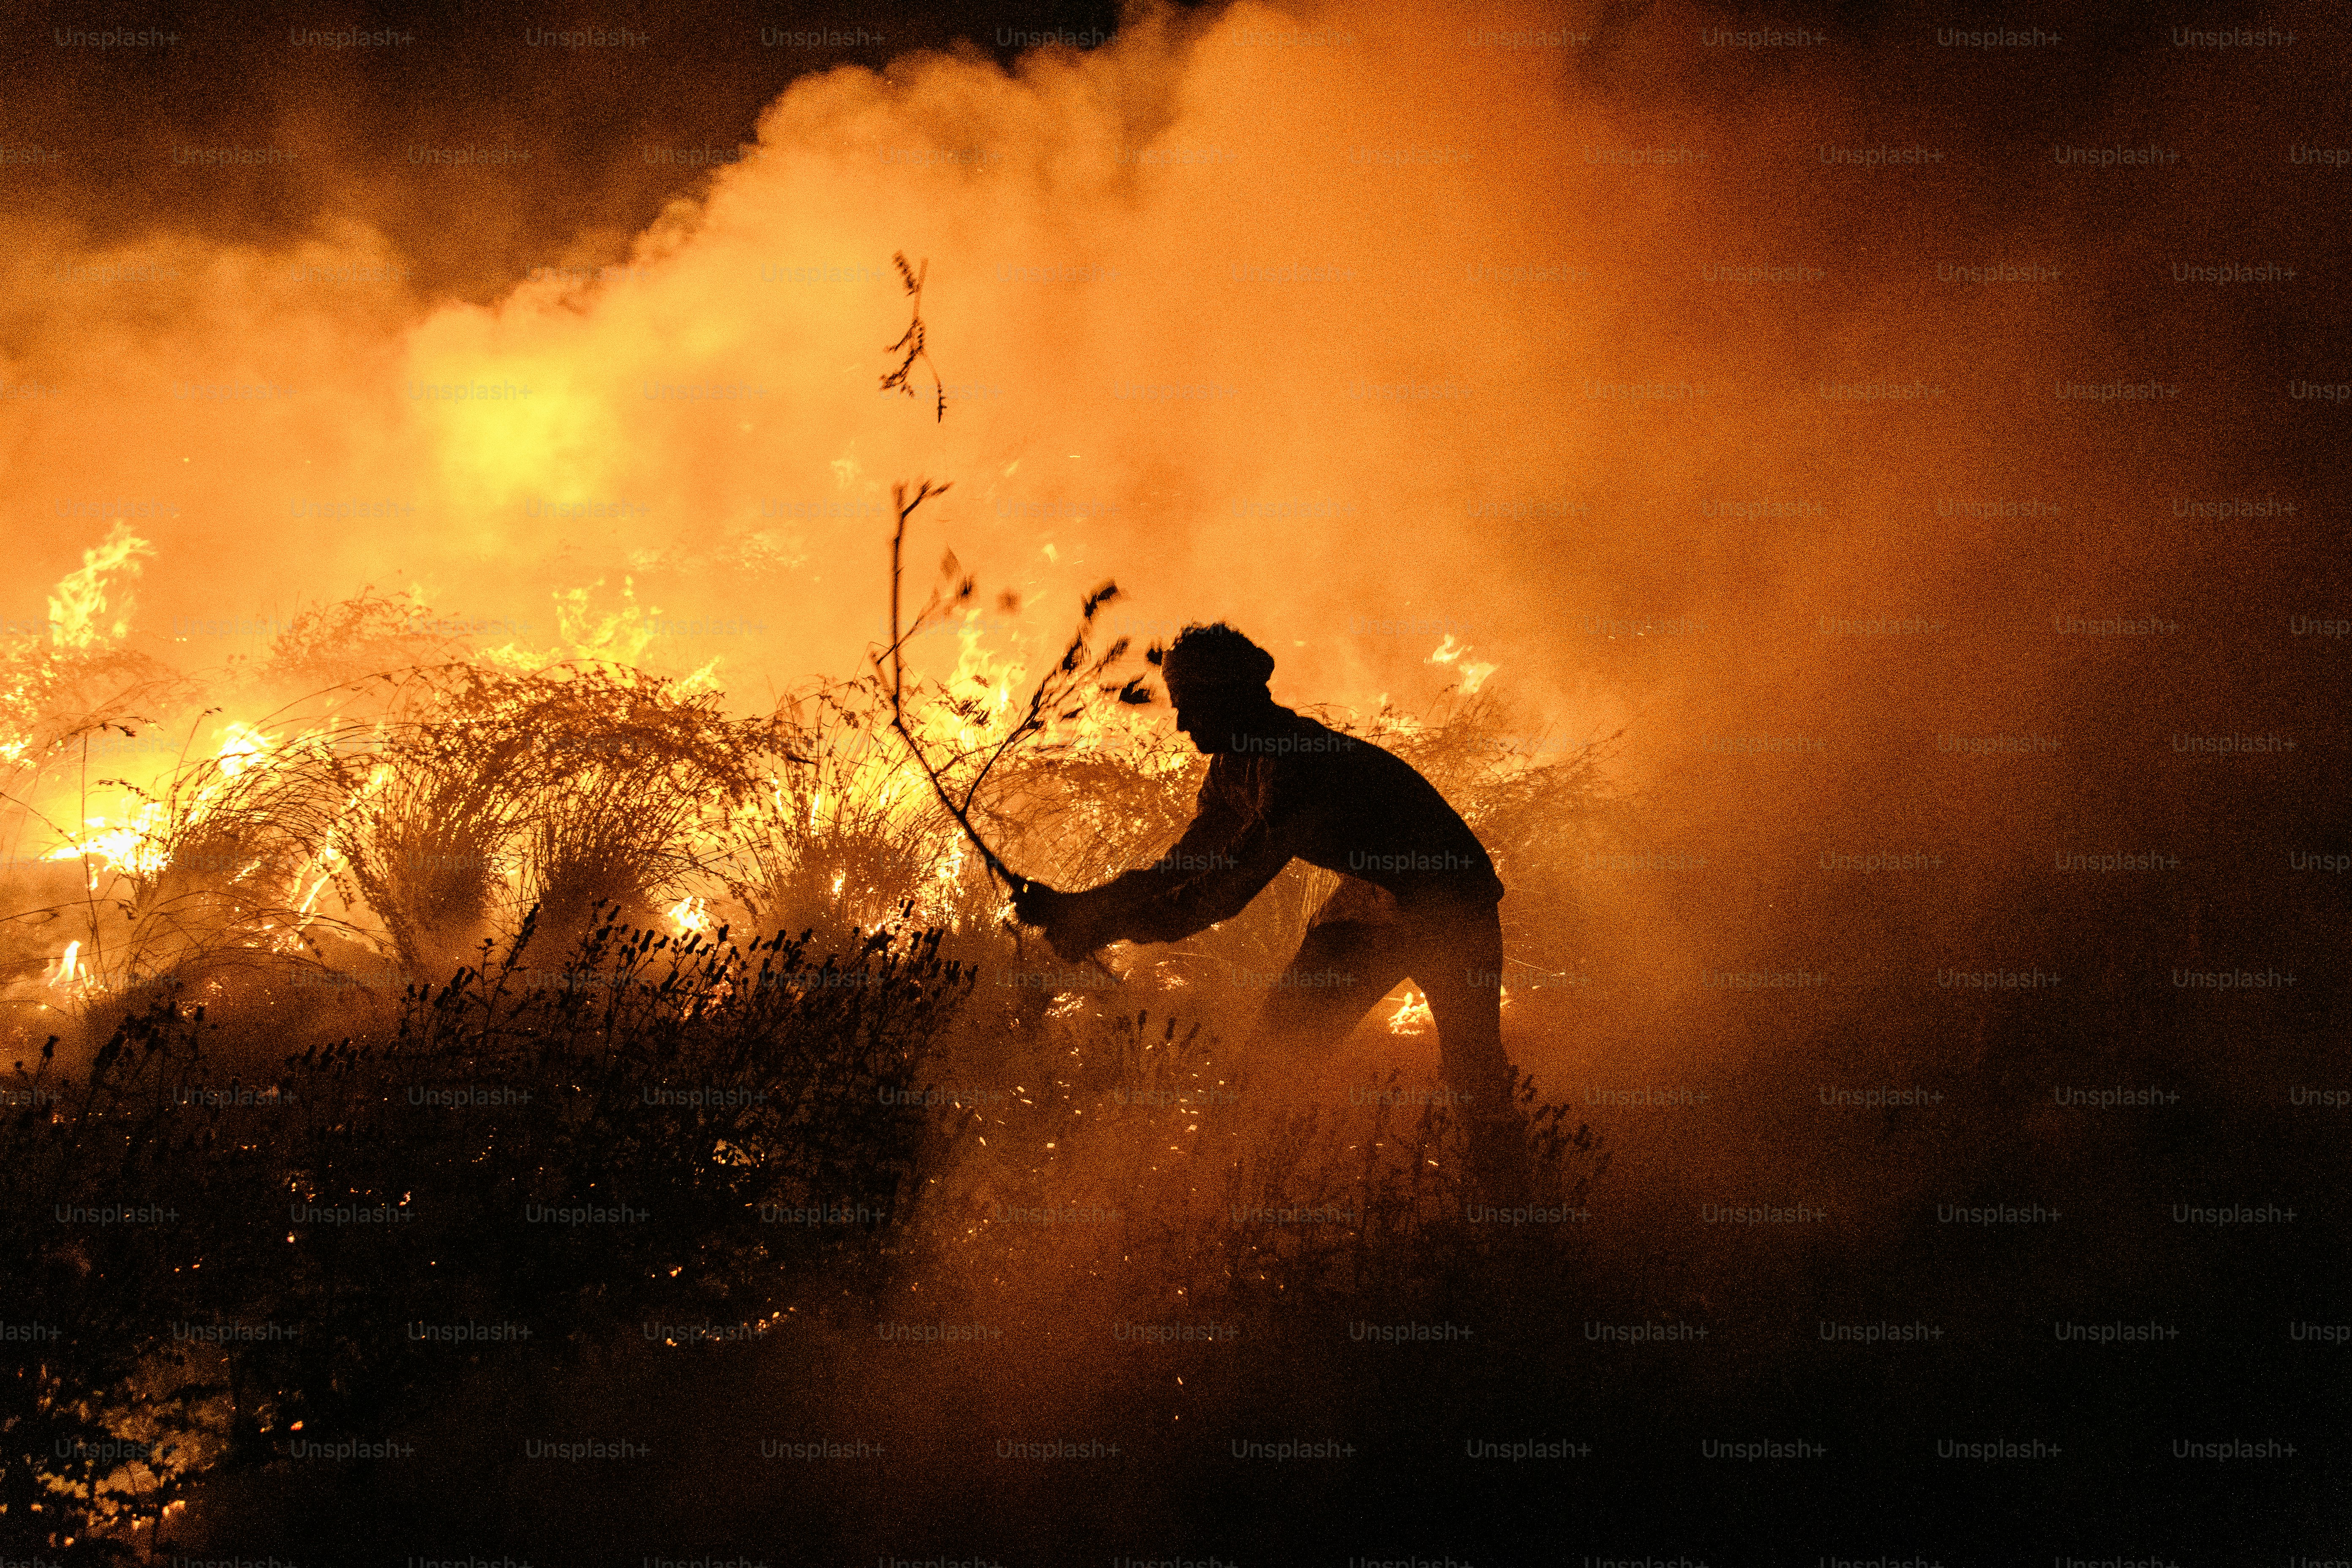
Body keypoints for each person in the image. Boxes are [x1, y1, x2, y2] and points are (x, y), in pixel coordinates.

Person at [1011, 622, 1530, 1195]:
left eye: (1194, 706)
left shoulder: (1294, 765)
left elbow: (1224, 893)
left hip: (1452, 899)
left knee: (1471, 1073)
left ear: (1235, 696)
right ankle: (1231, 1196)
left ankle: (1515, 1210)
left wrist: (1103, 923)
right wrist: (1078, 907)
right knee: (1275, 1059)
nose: (1182, 723)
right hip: (1376, 893)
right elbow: (1180, 870)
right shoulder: (1235, 767)